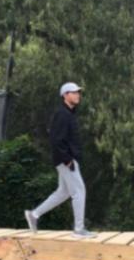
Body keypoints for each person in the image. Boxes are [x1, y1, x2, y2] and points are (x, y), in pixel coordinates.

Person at [24, 82, 96, 239]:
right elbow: (56, 139)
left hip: (66, 159)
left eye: (78, 92)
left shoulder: (68, 114)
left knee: (63, 192)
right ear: (65, 95)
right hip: (66, 160)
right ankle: (79, 229)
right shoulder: (62, 114)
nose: (78, 95)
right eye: (74, 92)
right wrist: (67, 159)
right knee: (79, 191)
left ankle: (34, 214)